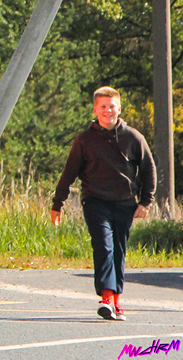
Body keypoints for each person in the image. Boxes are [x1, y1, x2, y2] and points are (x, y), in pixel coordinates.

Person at [51, 86, 155, 321]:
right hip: (95, 201)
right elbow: (69, 172)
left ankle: (117, 302)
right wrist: (58, 203)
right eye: (103, 107)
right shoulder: (85, 140)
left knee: (118, 250)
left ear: (119, 108)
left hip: (125, 203)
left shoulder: (133, 138)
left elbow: (148, 169)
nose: (108, 111)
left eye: (112, 106)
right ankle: (106, 299)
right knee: (104, 246)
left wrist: (145, 202)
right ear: (95, 109)